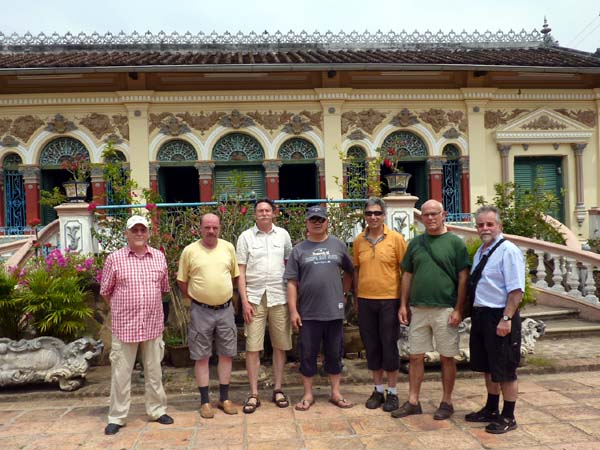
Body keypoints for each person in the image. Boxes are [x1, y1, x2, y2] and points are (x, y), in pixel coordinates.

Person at [392, 199, 469, 420]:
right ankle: (413, 401)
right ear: (422, 218)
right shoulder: (416, 243)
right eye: (426, 215)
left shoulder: (455, 243)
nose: (430, 218)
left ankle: (446, 401)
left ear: (443, 214)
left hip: (445, 309)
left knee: (447, 357)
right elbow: (407, 274)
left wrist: (458, 309)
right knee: (415, 356)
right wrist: (403, 304)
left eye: (434, 214)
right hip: (418, 309)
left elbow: (463, 277)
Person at [101, 215, 174, 435]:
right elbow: (105, 292)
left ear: (149, 233)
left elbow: (163, 289)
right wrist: (124, 308)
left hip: (152, 324)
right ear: (127, 233)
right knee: (121, 374)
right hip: (125, 326)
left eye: (143, 230)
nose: (140, 234)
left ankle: (157, 410)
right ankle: (117, 416)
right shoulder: (114, 259)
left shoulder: (159, 257)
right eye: (135, 230)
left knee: (154, 371)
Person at [284, 205, 354, 411]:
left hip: (334, 311)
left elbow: (350, 271)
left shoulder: (338, 246)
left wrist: (344, 292)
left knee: (334, 352)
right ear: (306, 222)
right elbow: (291, 283)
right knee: (307, 354)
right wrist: (293, 310)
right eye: (313, 219)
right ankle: (308, 394)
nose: (317, 222)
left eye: (320, 219)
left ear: (327, 222)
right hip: (308, 312)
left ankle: (336, 393)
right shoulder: (298, 250)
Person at [466, 205, 525, 434]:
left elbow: (516, 290)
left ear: (499, 226)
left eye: (489, 224)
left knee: (505, 369)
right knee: (488, 367)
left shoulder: (508, 251)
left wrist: (507, 318)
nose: (485, 228)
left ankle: (508, 416)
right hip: (481, 315)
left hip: (500, 315)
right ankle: (491, 409)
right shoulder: (481, 251)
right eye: (480, 225)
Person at [177, 213, 240, 419]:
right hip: (201, 311)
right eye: (207, 227)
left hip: (225, 310)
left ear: (219, 228)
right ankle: (205, 401)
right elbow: (182, 281)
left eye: (214, 227)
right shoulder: (190, 251)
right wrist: (197, 298)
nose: (211, 231)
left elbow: (233, 276)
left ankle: (224, 398)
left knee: (226, 354)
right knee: (201, 356)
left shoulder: (228, 248)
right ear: (200, 228)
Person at [236, 198, 293, 413]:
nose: (264, 213)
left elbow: (289, 265)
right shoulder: (246, 237)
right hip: (254, 298)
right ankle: (253, 393)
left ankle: (278, 388)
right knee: (252, 347)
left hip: (279, 296)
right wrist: (243, 300)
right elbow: (240, 271)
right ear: (254, 214)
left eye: (267, 210)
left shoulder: (284, 235)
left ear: (274, 213)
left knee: (280, 345)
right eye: (260, 210)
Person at [353, 197, 407, 412]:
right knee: (372, 346)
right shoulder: (359, 240)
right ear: (365, 216)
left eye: (377, 213)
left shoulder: (396, 239)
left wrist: (403, 304)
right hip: (366, 301)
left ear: (384, 215)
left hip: (389, 300)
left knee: (388, 345)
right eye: (369, 213)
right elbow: (356, 269)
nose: (373, 217)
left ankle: (392, 392)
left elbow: (405, 273)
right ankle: (378, 389)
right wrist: (356, 297)